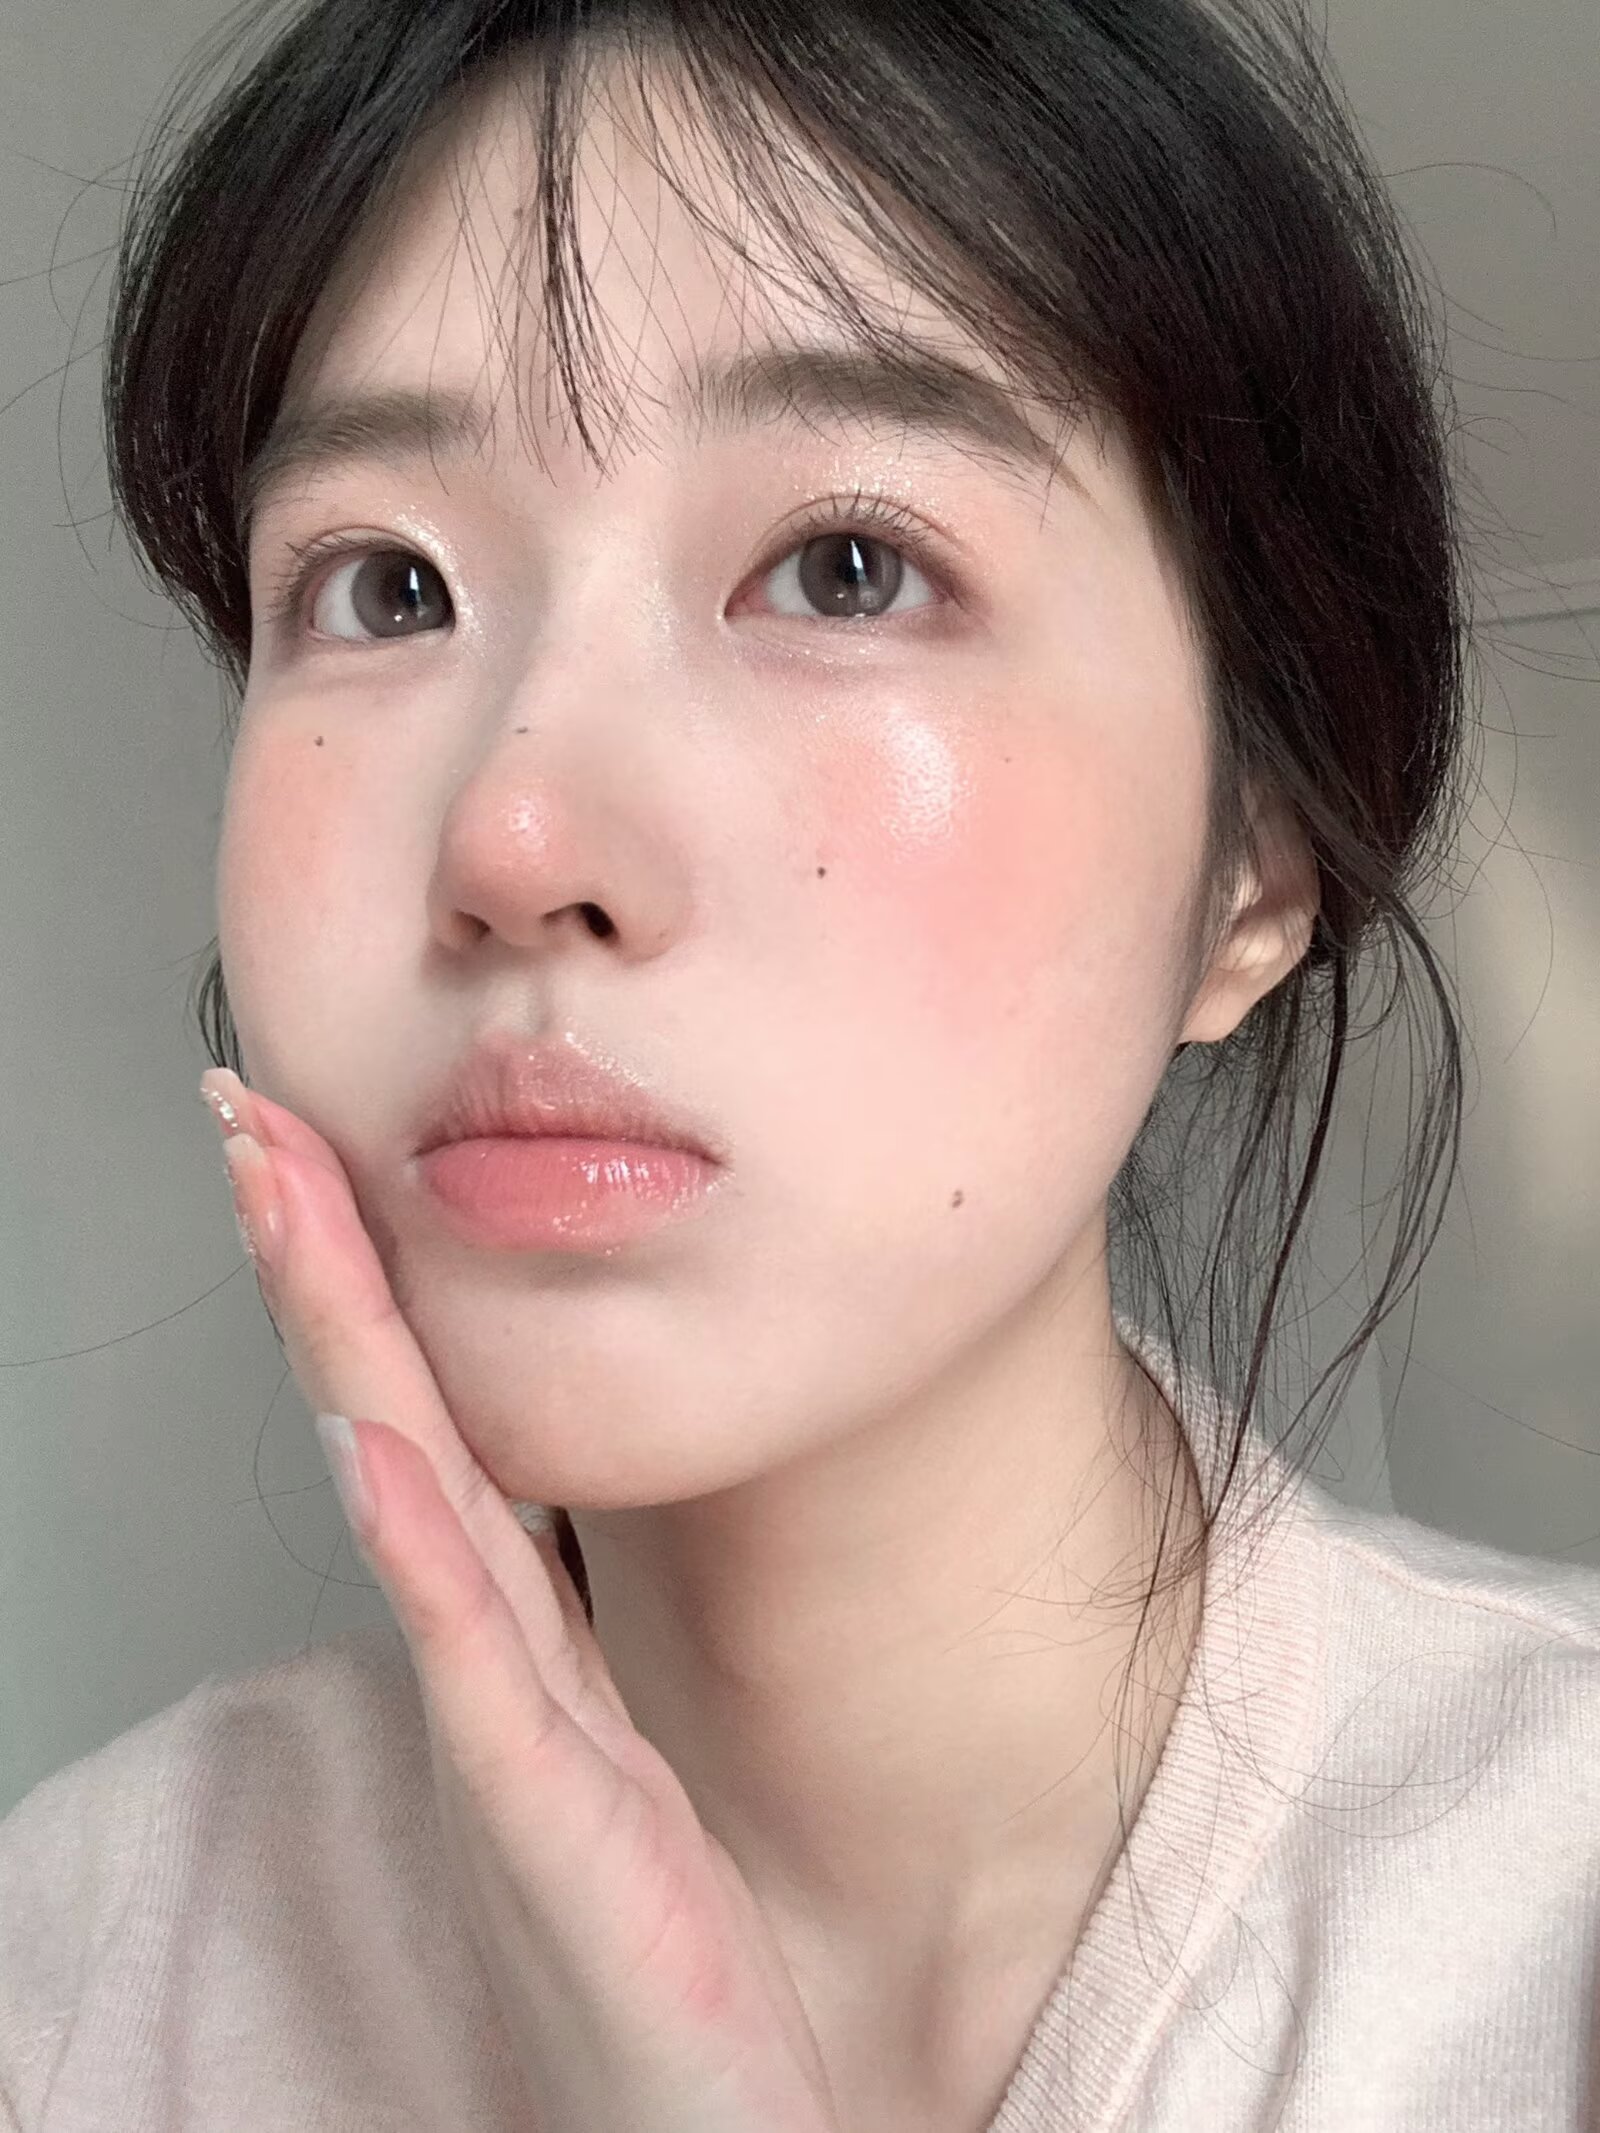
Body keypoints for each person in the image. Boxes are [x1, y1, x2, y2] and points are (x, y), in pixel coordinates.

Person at [3, 1, 1597, 2128]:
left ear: (1251, 867)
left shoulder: (1543, 1923)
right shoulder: (83, 1969)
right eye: (384, 587)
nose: (515, 837)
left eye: (846, 567)